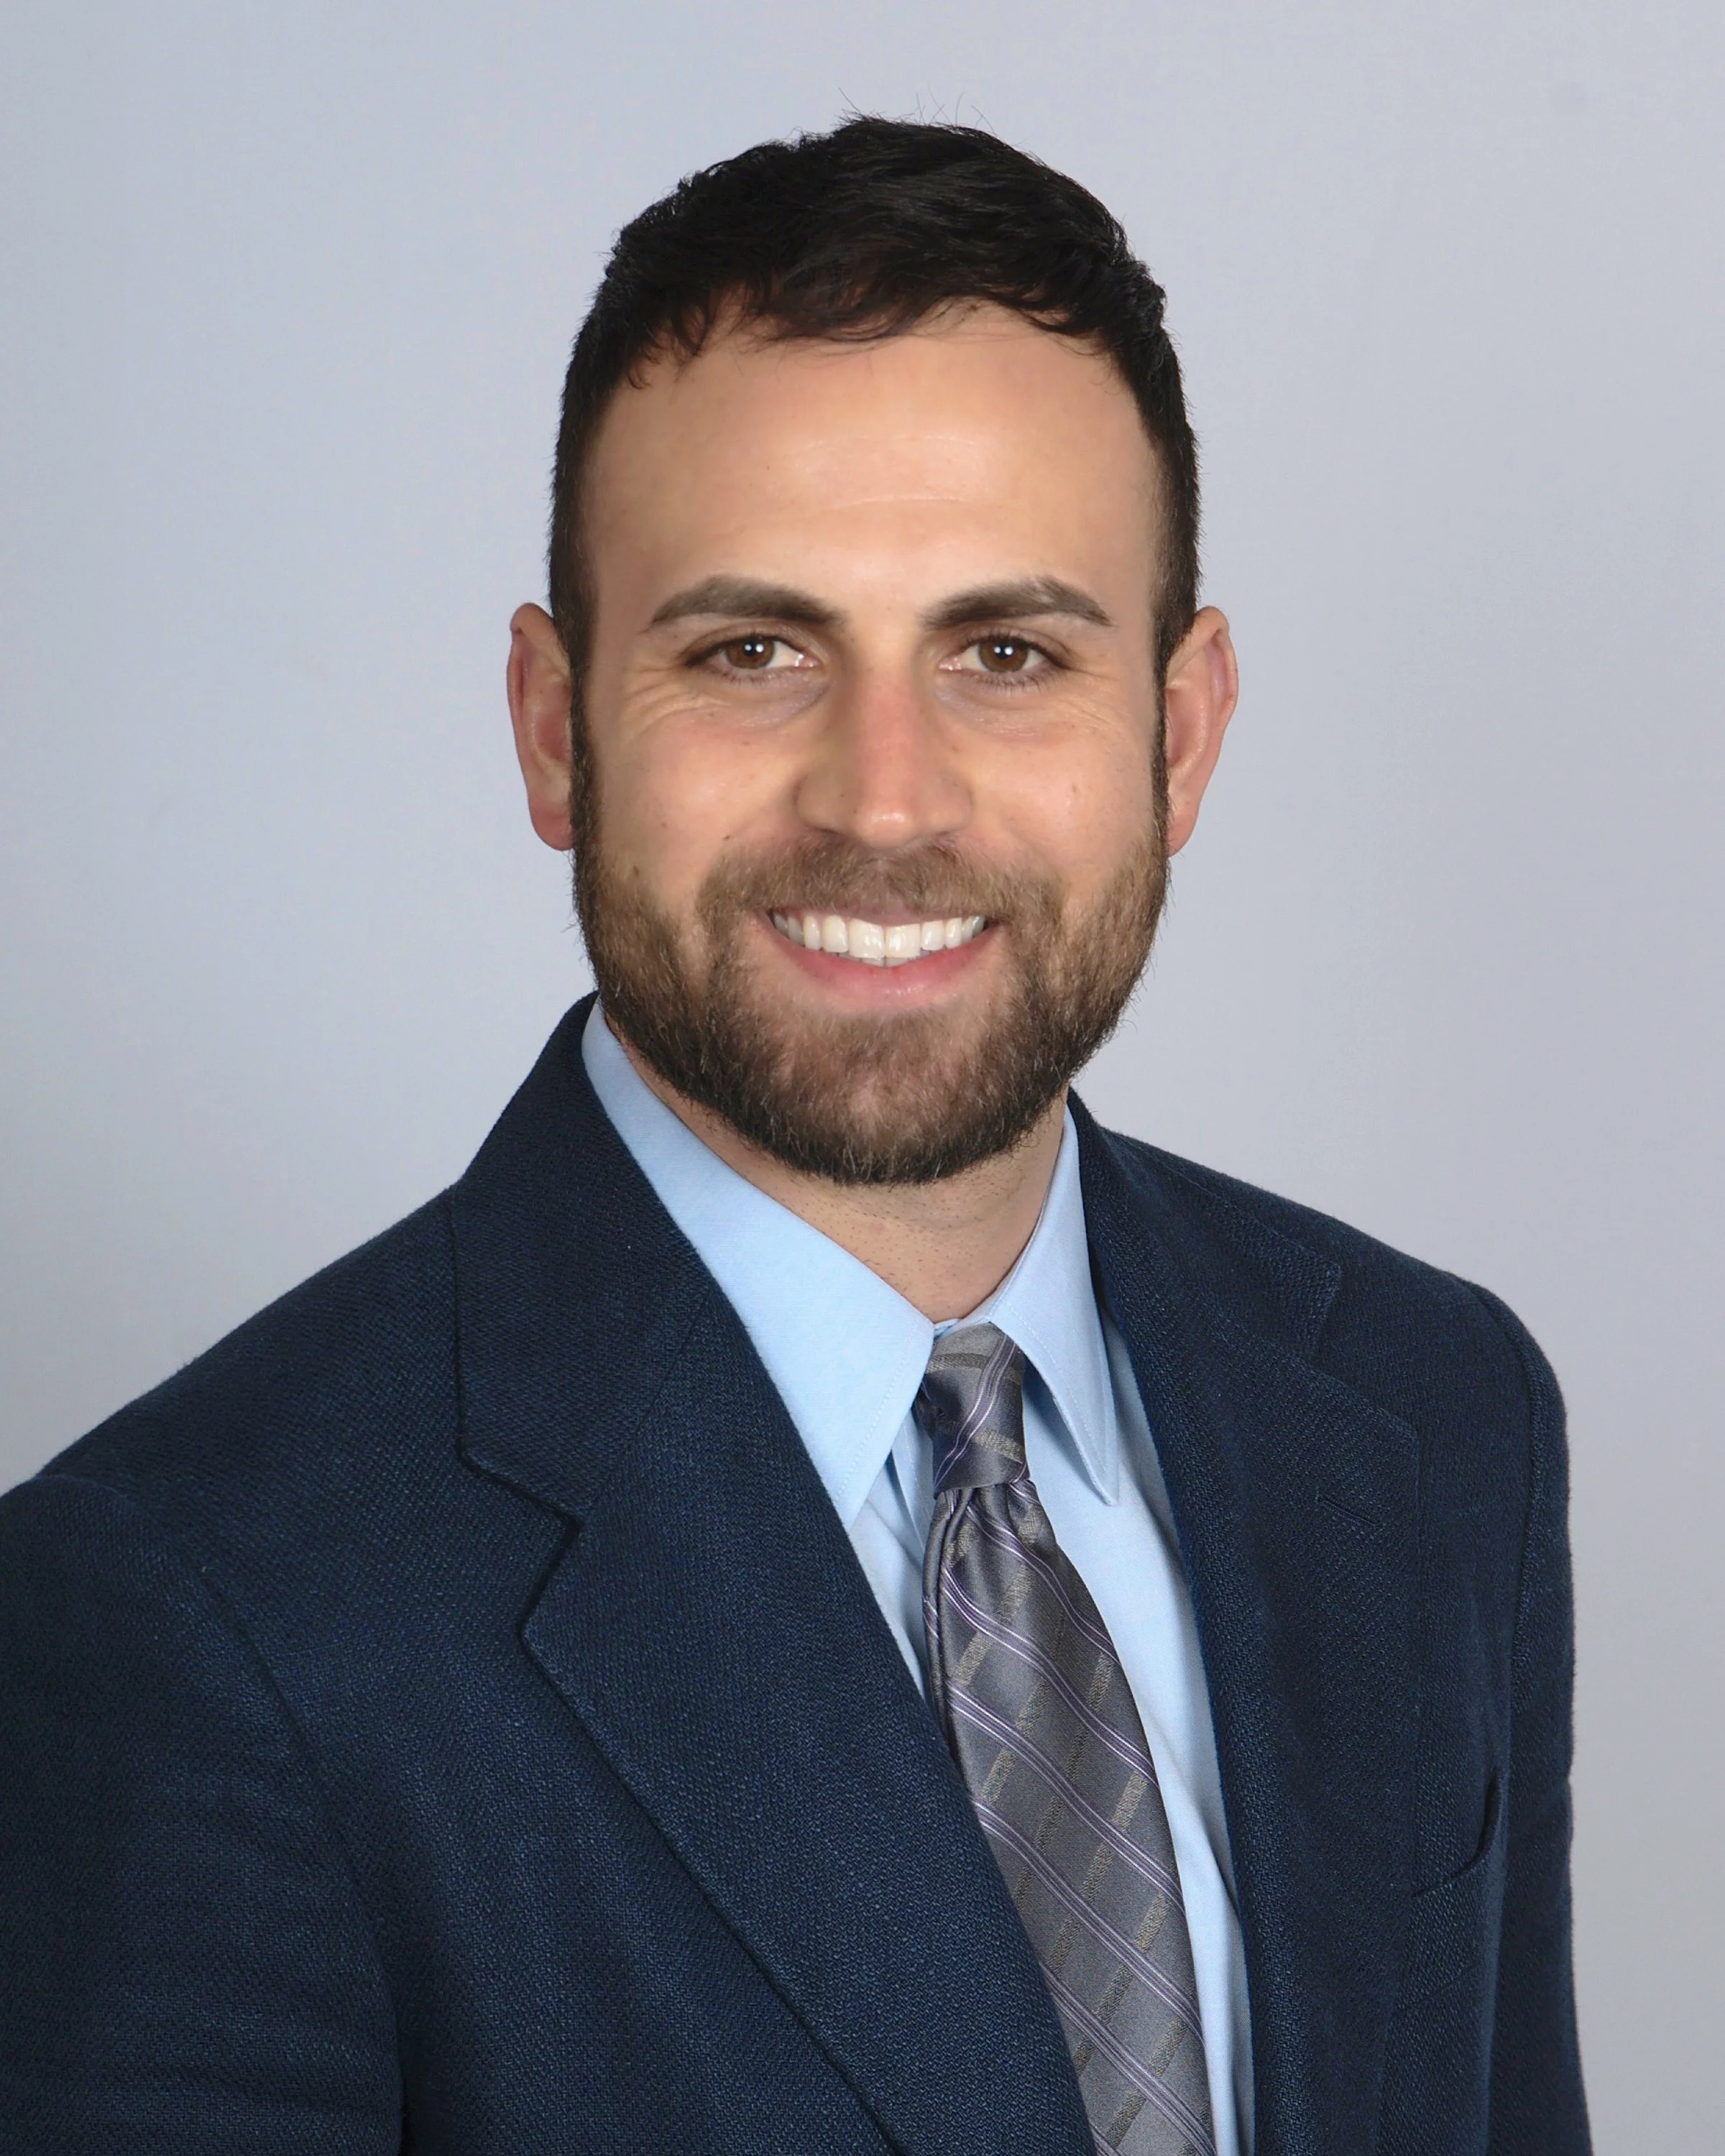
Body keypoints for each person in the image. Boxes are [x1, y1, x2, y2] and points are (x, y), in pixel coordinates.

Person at [0, 118, 1588, 2155]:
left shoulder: (1435, 1416)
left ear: (1180, 737)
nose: (886, 798)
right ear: (555, 726)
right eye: (753, 652)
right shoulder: (193, 1613)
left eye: (1007, 653)